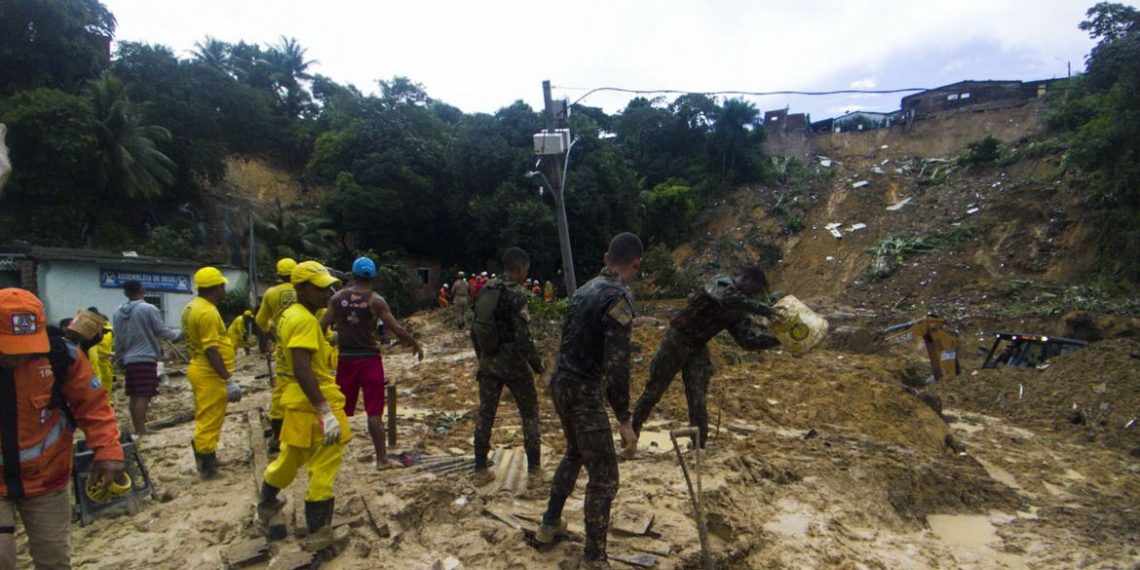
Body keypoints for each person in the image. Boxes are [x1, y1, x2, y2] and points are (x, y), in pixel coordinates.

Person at [536, 233, 643, 569]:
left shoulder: (583, 291)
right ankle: (594, 558)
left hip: (561, 383)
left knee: (574, 452)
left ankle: (549, 523)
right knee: (606, 476)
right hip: (583, 391)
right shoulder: (619, 297)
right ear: (636, 264)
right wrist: (625, 420)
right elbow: (617, 365)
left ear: (605, 255)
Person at [0, 288, 125, 569]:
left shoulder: (60, 357)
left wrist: (108, 449)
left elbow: (92, 405)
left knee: (54, 559)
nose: (18, 358)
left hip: (47, 480)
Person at [257, 261, 351, 552]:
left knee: (290, 455)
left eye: (329, 287)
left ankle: (268, 501)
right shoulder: (305, 321)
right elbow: (302, 368)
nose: (328, 293)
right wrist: (325, 411)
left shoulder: (288, 315)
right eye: (320, 288)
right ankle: (319, 532)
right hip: (314, 401)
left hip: (295, 402)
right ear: (300, 288)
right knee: (324, 464)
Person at [631, 267, 780, 449]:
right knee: (654, 391)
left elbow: (747, 342)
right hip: (677, 340)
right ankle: (631, 434)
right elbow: (726, 298)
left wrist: (778, 340)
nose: (753, 296)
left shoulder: (739, 309)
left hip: (698, 347)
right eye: (754, 290)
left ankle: (698, 446)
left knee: (698, 399)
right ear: (745, 279)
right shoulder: (721, 283)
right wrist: (764, 310)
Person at [321, 257, 424, 471]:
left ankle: (324, 457)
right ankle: (381, 460)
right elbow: (396, 328)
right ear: (374, 277)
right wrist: (414, 344)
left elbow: (319, 327)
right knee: (374, 412)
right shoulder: (376, 301)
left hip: (346, 359)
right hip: (369, 360)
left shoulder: (338, 298)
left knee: (338, 409)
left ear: (351, 274)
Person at [470, 248, 545, 487]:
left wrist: (482, 357)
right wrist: (539, 367)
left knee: (486, 413)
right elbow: (524, 339)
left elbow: (475, 329)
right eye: (526, 269)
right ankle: (534, 472)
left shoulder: (486, 290)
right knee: (530, 413)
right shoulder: (516, 294)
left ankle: (480, 469)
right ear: (521, 267)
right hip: (513, 364)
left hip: (489, 361)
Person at [182, 267, 242, 479]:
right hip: (209, 373)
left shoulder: (192, 307)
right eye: (223, 286)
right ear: (217, 287)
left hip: (200, 368)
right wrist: (227, 379)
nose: (224, 289)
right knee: (209, 419)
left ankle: (209, 454)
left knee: (209, 416)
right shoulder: (207, 312)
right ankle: (207, 466)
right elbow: (211, 349)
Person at [113, 280, 182, 437]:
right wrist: (179, 334)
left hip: (128, 358)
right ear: (142, 290)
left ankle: (138, 427)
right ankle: (141, 431)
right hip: (145, 357)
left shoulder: (118, 312)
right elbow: (161, 331)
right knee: (145, 394)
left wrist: (119, 358)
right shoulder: (148, 308)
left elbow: (118, 338)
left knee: (134, 395)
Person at [256, 258, 298, 455]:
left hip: (283, 348)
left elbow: (261, 320)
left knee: (281, 391)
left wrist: (272, 335)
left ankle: (278, 438)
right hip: (306, 344)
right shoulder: (305, 291)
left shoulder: (271, 293)